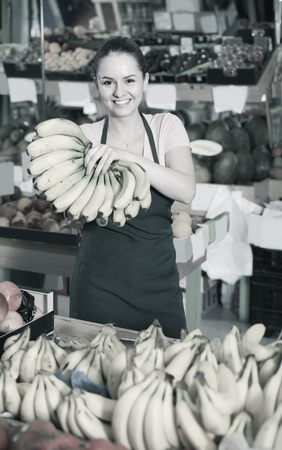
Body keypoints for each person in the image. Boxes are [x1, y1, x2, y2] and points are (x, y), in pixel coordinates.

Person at [69, 36, 196, 339]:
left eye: (129, 80)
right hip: (97, 290)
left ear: (145, 81)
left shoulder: (166, 126)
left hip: (159, 290)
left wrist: (126, 157)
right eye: (108, 82)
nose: (120, 92)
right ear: (96, 86)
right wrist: (72, 213)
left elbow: (187, 190)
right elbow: (72, 213)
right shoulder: (85, 137)